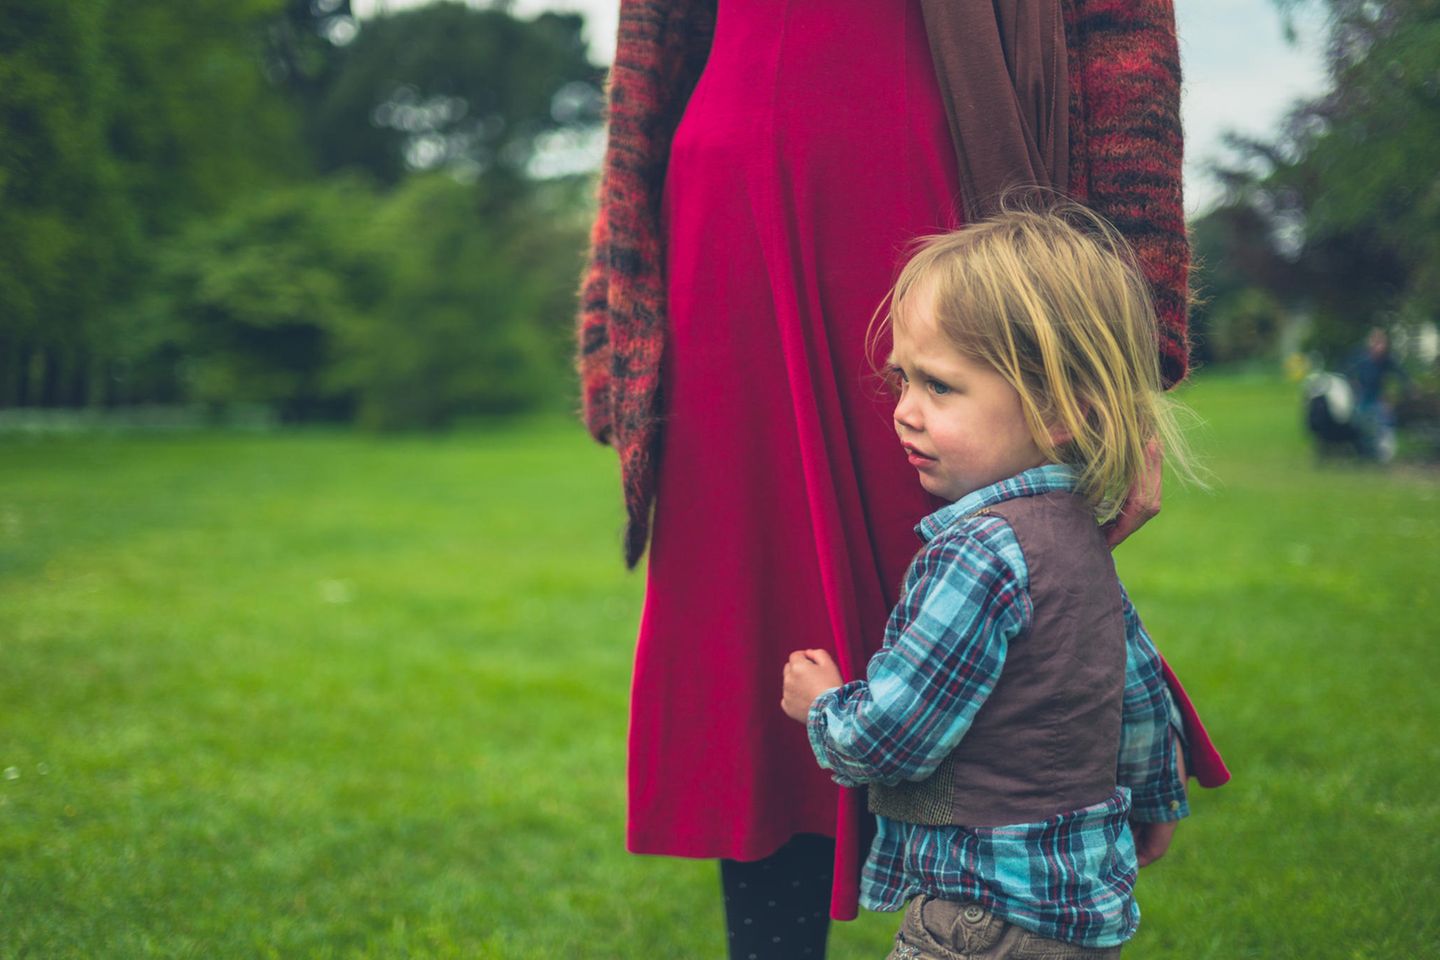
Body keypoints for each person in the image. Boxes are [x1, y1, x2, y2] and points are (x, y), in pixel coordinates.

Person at [576, 2, 1229, 956]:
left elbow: (1119, 34)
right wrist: (617, 311)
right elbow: (652, 47)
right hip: (724, 205)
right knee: (762, 626)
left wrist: (1124, 366)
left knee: (1010, 577)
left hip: (939, 160)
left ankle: (1012, 925)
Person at [781, 206, 1201, 957]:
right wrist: (1153, 798)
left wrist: (821, 706)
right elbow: (1136, 689)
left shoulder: (978, 555)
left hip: (977, 918)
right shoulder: (1079, 537)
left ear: (1060, 410)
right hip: (1077, 919)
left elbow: (892, 740)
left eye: (940, 387)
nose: (903, 412)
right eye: (903, 379)